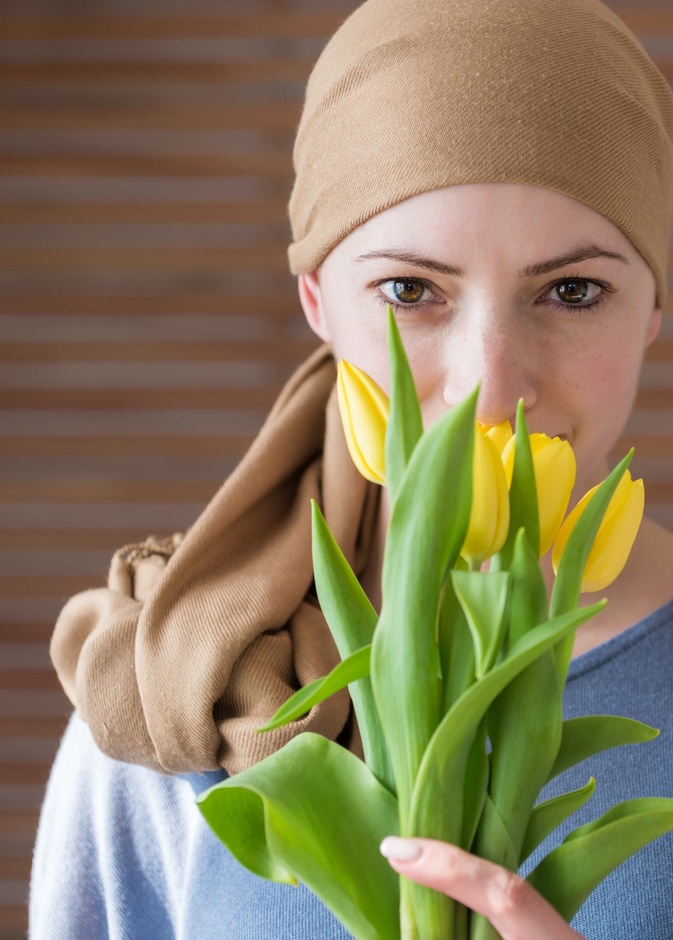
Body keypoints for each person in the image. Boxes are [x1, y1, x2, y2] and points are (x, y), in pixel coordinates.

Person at [29, 0, 673, 937]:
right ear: (316, 301)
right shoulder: (176, 686)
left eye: (573, 290)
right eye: (410, 290)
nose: (489, 385)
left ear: (654, 307)